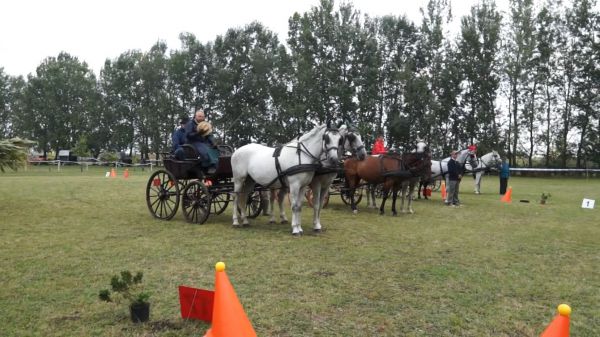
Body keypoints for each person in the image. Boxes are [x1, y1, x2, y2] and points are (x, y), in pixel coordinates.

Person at [185, 109, 218, 173]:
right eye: (200, 116)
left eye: (203, 117)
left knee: (214, 149)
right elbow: (188, 135)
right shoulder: (190, 124)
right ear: (195, 116)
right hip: (193, 143)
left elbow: (209, 135)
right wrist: (198, 133)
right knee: (205, 151)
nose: (201, 118)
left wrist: (213, 143)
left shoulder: (205, 124)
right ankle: (207, 167)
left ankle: (214, 166)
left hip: (203, 142)